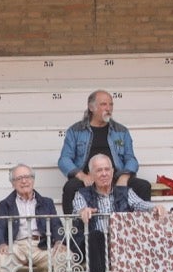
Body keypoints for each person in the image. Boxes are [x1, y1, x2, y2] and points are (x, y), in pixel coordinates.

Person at [73, 153, 158, 272]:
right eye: (99, 170)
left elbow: (139, 204)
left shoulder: (124, 192)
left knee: (143, 236)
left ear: (113, 172)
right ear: (91, 175)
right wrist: (83, 211)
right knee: (95, 236)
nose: (104, 174)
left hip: (123, 241)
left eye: (107, 169)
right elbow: (79, 208)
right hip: (98, 245)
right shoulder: (82, 194)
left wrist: (155, 207)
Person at [57, 88, 151, 223]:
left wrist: (124, 176)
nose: (109, 108)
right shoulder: (75, 130)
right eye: (103, 104)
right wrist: (82, 176)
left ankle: (139, 229)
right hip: (88, 177)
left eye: (111, 104)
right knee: (70, 187)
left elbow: (131, 158)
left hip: (115, 176)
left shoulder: (121, 131)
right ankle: (72, 231)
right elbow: (64, 159)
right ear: (91, 107)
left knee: (143, 186)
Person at [0, 163, 70, 272]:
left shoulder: (46, 202)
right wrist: (1, 243)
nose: (24, 181)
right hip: (17, 246)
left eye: (27, 177)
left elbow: (56, 224)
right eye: (19, 178)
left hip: (41, 246)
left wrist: (59, 241)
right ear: (13, 183)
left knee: (63, 254)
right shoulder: (5, 204)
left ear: (33, 180)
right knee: (2, 256)